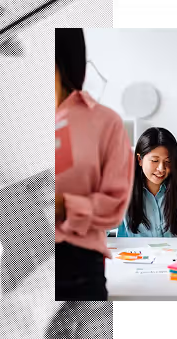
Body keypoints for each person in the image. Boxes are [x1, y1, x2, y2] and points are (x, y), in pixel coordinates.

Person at [55, 29, 134, 301]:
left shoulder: (104, 122)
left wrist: (64, 205)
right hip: (22, 260)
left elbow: (114, 205)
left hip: (78, 263)